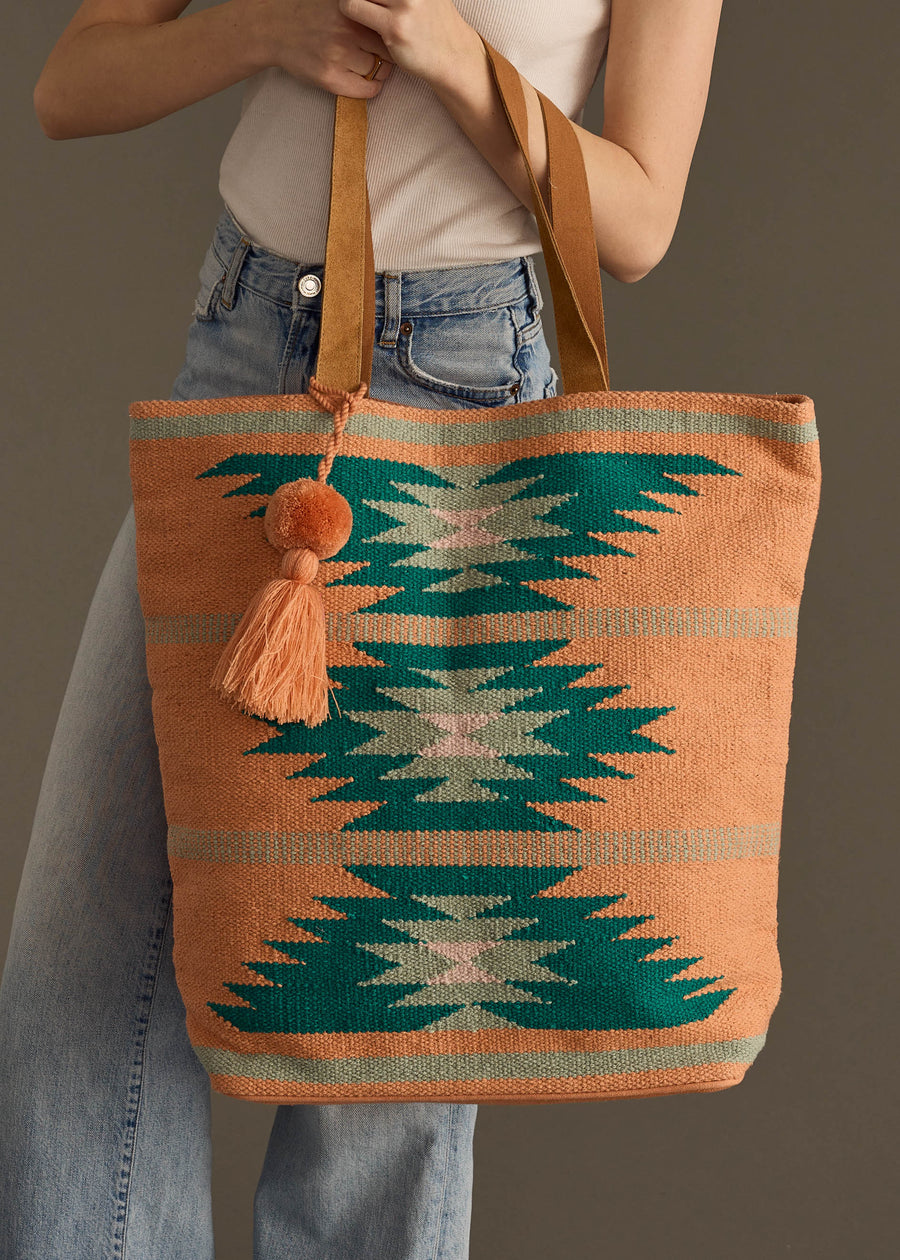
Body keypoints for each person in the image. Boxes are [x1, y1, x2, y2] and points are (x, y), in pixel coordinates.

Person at [1, 1, 723, 1256]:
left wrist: (456, 62)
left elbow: (640, 219)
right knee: (79, 975)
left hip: (463, 376)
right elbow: (70, 84)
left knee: (382, 1031)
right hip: (243, 345)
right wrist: (259, 30)